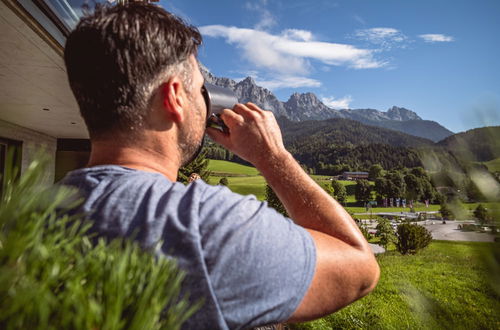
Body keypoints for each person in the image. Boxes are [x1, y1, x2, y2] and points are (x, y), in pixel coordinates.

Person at [60, 3, 379, 329]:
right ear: (174, 96)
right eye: (200, 88)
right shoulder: (204, 225)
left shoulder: (25, 215)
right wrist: (273, 157)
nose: (206, 100)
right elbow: (360, 267)